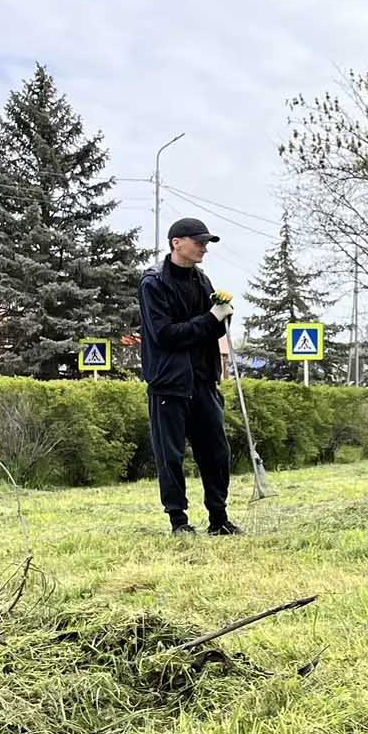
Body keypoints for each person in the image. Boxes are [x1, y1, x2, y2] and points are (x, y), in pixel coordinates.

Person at [139, 217, 239, 536]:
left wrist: (223, 319)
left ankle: (218, 518)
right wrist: (210, 319)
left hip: (204, 380)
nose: (204, 249)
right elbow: (165, 334)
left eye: (206, 243)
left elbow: (210, 330)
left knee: (216, 451)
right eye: (198, 242)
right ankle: (178, 521)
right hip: (169, 382)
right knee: (171, 455)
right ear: (176, 243)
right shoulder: (153, 283)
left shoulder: (202, 281)